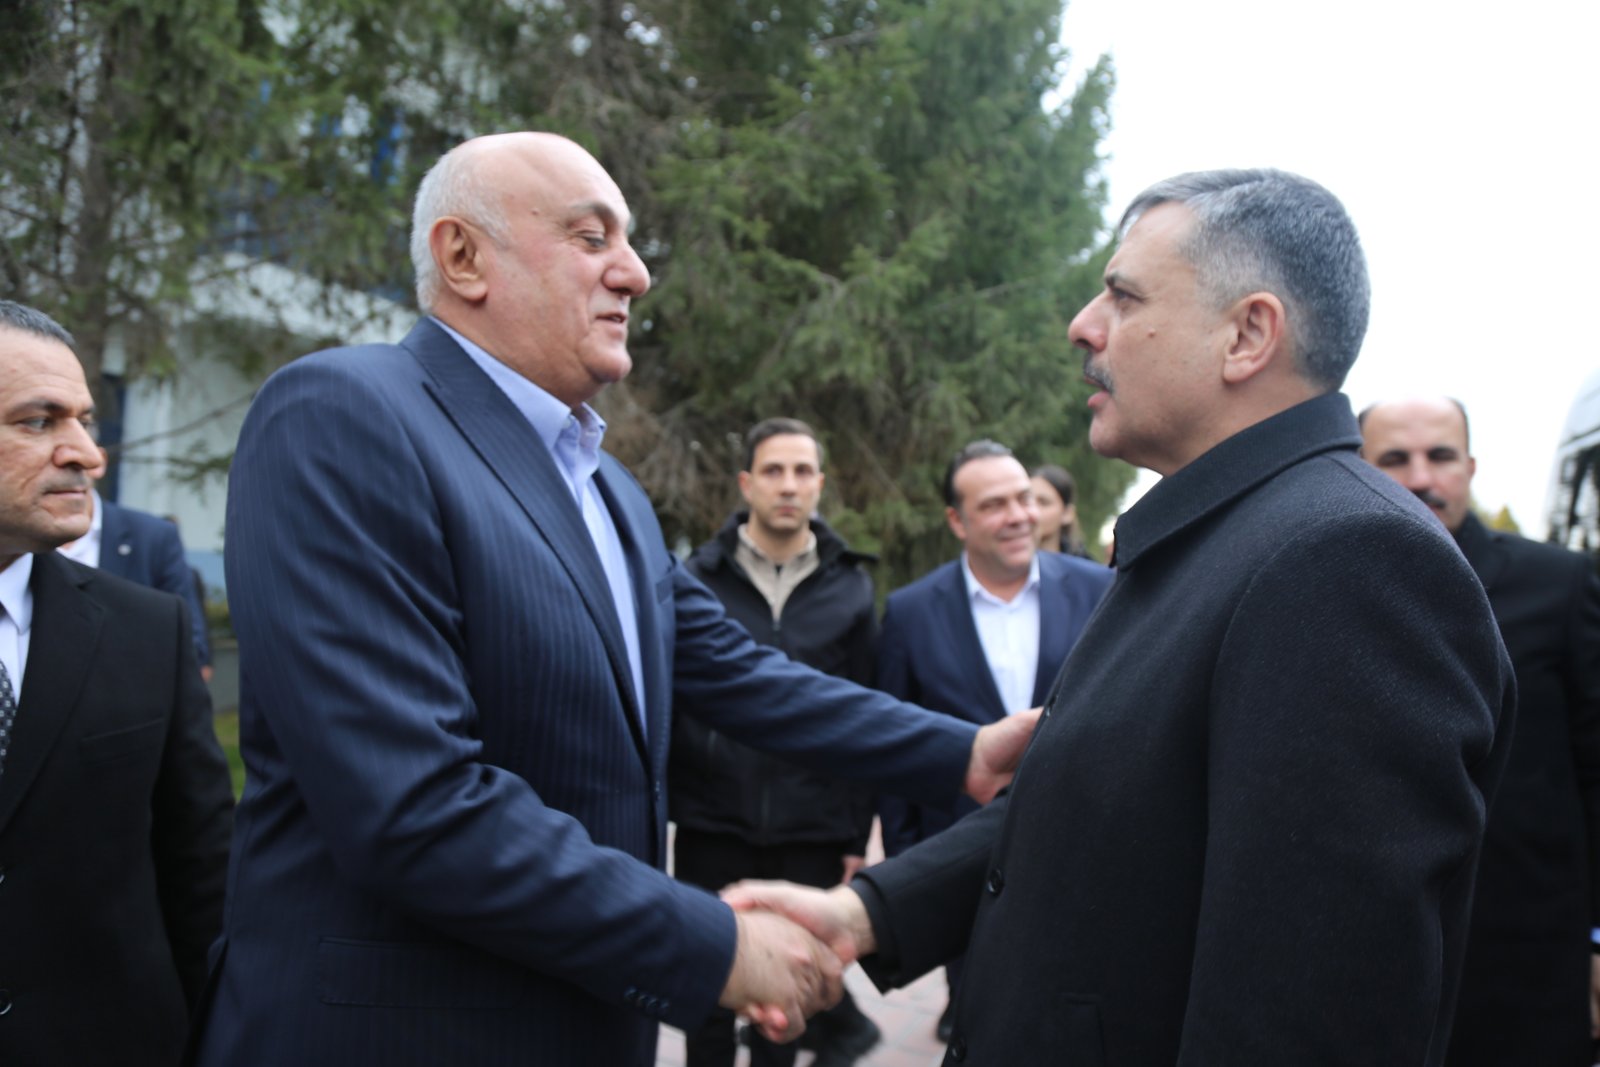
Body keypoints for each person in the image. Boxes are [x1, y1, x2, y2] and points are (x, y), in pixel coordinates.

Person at [189, 132, 1036, 1067]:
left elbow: (741, 675)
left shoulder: (609, 489)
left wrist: (963, 752)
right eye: (592, 238)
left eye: (629, 243)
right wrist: (718, 946)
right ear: (462, 256)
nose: (634, 274)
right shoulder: (343, 415)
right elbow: (411, 800)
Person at [725, 169, 1516, 1065]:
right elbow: (1088, 807)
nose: (1083, 325)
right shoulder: (1218, 538)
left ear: (1247, 334)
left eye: (1123, 295)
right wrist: (866, 911)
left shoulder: (1346, 560)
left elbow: (1310, 1011)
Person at [0, 300, 234, 1067]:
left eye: (86, 420)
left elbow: (202, 875)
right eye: (39, 421)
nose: (87, 455)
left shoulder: (148, 632)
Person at [1360, 395, 1600, 1067]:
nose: (1421, 478)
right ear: (1362, 467)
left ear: (1469, 467)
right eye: (1395, 459)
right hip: (1375, 967)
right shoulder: (1329, 585)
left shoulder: (1558, 585)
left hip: (1531, 962)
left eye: (1440, 456)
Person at [876, 438, 1111, 1040]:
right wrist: (909, 868)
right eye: (994, 505)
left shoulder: (1101, 590)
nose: (1018, 516)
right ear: (957, 521)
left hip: (1079, 858)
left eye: (1025, 498)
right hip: (961, 866)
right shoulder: (910, 612)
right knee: (977, 1023)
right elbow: (898, 752)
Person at [670, 417, 884, 1067]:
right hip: (712, 822)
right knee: (706, 992)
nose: (788, 485)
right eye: (773, 470)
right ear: (746, 483)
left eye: (801, 471)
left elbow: (863, 711)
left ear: (819, 483)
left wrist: (854, 834)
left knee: (785, 1001)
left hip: (810, 828)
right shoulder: (697, 577)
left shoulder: (851, 585)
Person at [58, 462, 213, 680]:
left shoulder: (153, 536)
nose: (64, 461)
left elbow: (189, 641)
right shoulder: (16, 538)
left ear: (98, 461)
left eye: (75, 460)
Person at [1028, 463, 1091, 557]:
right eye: (1027, 500)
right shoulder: (1005, 563)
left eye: (1043, 503)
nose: (1032, 510)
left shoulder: (1084, 565)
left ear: (1067, 513)